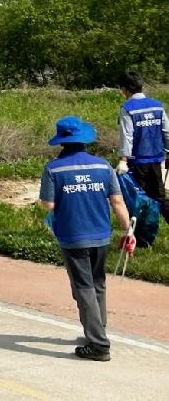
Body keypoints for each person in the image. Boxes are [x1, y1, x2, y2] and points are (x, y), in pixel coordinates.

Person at [40, 115, 133, 362]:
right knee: (98, 283)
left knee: (83, 288)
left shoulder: (53, 168)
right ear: (84, 141)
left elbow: (48, 205)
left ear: (62, 142)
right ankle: (97, 327)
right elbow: (117, 201)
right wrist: (128, 229)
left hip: (72, 237)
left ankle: (99, 344)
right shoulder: (103, 166)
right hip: (101, 235)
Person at [115, 71, 169, 226]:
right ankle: (154, 224)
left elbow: (127, 135)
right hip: (156, 160)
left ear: (125, 89)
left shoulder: (127, 108)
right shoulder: (157, 105)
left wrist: (123, 160)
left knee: (138, 198)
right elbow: (167, 131)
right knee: (159, 196)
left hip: (137, 162)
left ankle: (141, 234)